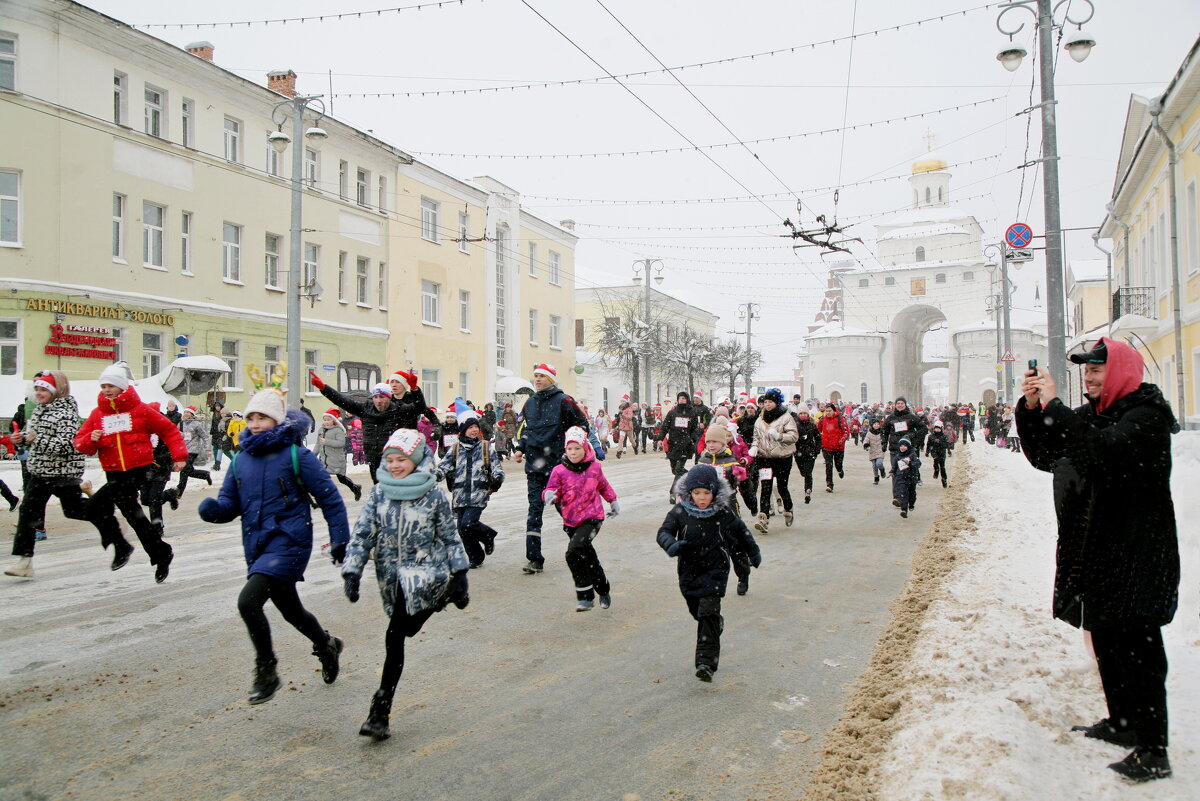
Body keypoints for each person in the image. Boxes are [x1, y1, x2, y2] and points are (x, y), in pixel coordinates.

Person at [1016, 338, 1179, 782]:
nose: (1088, 379)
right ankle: (1123, 722)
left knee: (1139, 649)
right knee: (1107, 635)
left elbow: (1100, 453)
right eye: (1085, 372)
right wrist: (1033, 410)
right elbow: (1049, 454)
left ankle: (1154, 748)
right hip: (1101, 547)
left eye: (1097, 371)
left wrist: (1056, 406)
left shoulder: (1145, 417)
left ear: (1122, 372)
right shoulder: (1097, 415)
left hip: (1140, 551)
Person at [198, 391, 349, 706]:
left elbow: (330, 498)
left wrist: (340, 538)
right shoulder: (241, 459)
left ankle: (267, 669)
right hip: (258, 544)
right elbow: (230, 504)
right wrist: (213, 510)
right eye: (251, 418)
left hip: (290, 541)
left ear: (277, 421)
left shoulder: (297, 456)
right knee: (290, 609)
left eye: (262, 418)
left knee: (248, 602)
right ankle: (326, 644)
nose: (254, 424)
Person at [341, 429, 470, 741]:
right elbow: (362, 534)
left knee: (395, 634)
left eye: (402, 460)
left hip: (426, 569)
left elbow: (450, 536)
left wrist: (461, 572)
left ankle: (379, 711)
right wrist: (352, 571)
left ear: (415, 460)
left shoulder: (434, 495)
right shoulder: (378, 493)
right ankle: (443, 598)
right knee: (406, 629)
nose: (396, 465)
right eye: (391, 460)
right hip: (391, 574)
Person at [74, 363, 187, 582]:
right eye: (103, 386)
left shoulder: (140, 410)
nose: (107, 390)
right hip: (113, 471)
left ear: (122, 387)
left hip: (137, 470)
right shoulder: (98, 414)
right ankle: (161, 552)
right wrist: (91, 439)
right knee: (135, 518)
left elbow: (168, 429)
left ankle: (121, 545)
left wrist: (179, 456)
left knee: (94, 507)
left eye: (111, 386)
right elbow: (81, 444)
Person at [656, 464, 761, 682]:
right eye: (697, 493)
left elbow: (741, 531)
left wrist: (754, 552)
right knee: (698, 611)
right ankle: (714, 624)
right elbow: (664, 532)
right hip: (688, 570)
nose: (702, 498)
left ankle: (706, 662)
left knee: (708, 613)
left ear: (715, 492)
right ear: (689, 493)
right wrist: (671, 545)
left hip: (716, 570)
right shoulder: (680, 512)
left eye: (706, 493)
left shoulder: (722, 512)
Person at [4, 372, 105, 578]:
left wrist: (34, 440)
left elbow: (66, 446)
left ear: (55, 391)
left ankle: (105, 513)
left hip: (62, 472)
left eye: (43, 389)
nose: (39, 393)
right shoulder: (40, 410)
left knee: (73, 510)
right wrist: (21, 439)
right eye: (37, 389)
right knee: (28, 512)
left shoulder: (66, 413)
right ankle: (25, 561)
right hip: (41, 471)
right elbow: (36, 437)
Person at [511, 363, 589, 575]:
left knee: (566, 511)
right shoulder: (530, 404)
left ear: (551, 379)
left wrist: (573, 451)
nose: (537, 379)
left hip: (560, 469)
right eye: (535, 376)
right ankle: (534, 559)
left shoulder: (564, 401)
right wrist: (520, 448)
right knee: (534, 511)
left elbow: (582, 427)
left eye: (542, 376)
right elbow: (527, 430)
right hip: (535, 468)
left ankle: (580, 550)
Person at [543, 426, 618, 612]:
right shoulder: (559, 471)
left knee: (574, 551)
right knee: (587, 555)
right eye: (570, 449)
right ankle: (604, 589)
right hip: (570, 521)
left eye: (577, 448)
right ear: (565, 450)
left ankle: (585, 596)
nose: (573, 452)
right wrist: (549, 496)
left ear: (585, 448)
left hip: (592, 518)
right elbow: (551, 490)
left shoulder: (594, 468)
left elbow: (603, 486)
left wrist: (613, 501)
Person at [437, 402, 504, 569]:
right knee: (462, 529)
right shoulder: (454, 449)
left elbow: (497, 468)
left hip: (478, 492)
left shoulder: (485, 447)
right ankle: (476, 556)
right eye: (470, 427)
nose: (474, 430)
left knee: (468, 524)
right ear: (463, 430)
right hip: (459, 494)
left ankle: (488, 535)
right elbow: (442, 468)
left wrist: (497, 478)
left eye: (476, 427)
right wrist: (429, 478)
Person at [310, 378, 408, 485]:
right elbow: (343, 401)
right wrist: (324, 388)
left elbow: (418, 408)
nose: (379, 400)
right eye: (376, 397)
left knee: (393, 488)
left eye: (382, 397)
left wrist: (415, 389)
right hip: (373, 458)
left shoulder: (398, 410)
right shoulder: (366, 409)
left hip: (392, 458)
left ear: (389, 397)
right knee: (378, 488)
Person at [695, 423, 754, 596]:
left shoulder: (730, 459)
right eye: (709, 442)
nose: (711, 445)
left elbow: (742, 483)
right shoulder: (703, 459)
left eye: (715, 442)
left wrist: (743, 481)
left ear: (723, 443)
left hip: (728, 506)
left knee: (734, 545)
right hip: (708, 509)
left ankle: (743, 575)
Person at [749, 388, 798, 534]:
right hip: (764, 459)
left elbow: (794, 436)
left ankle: (788, 509)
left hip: (782, 458)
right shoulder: (759, 420)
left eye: (770, 402)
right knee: (766, 488)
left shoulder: (786, 417)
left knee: (782, 487)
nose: (767, 404)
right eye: (765, 402)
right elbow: (756, 437)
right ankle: (764, 519)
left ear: (777, 402)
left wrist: (779, 435)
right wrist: (753, 447)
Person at [164, 406, 212, 506]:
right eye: (185, 412)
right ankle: (204, 474)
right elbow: (175, 435)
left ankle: (179, 491)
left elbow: (205, 437)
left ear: (192, 414)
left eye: (188, 412)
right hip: (183, 449)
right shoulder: (180, 423)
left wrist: (208, 449)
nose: (185, 414)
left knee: (185, 470)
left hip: (193, 450)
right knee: (187, 470)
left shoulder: (197, 424)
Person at [660, 392, 700, 502]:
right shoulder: (672, 413)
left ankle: (673, 493)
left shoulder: (692, 413)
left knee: (678, 469)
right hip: (673, 445)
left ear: (687, 399)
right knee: (675, 470)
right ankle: (690, 476)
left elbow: (694, 429)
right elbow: (665, 427)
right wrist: (659, 438)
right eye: (680, 398)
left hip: (685, 445)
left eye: (684, 398)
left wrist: (692, 439)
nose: (682, 400)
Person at [316, 409, 362, 501]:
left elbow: (341, 443)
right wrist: (313, 455)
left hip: (336, 459)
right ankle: (324, 497)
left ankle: (355, 488)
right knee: (321, 477)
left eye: (328, 419)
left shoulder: (338, 430)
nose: (326, 422)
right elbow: (318, 444)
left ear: (334, 420)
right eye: (324, 420)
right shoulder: (321, 430)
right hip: (325, 459)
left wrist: (327, 441)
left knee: (341, 478)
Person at [881, 396, 926, 483]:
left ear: (905, 405)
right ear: (895, 405)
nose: (900, 405)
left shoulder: (911, 417)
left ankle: (908, 490)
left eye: (902, 403)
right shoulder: (890, 418)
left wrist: (914, 436)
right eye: (898, 403)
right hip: (895, 448)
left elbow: (923, 429)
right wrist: (884, 443)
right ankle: (897, 492)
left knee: (907, 471)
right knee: (895, 470)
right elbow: (884, 431)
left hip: (908, 448)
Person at [817, 402, 848, 493]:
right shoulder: (823, 420)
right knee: (828, 465)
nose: (828, 413)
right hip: (826, 447)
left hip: (838, 447)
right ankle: (829, 484)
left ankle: (840, 470)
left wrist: (840, 442)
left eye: (830, 411)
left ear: (834, 410)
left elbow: (846, 432)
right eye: (826, 411)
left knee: (838, 464)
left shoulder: (841, 419)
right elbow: (818, 430)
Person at [791, 407, 820, 504]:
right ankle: (806, 483)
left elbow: (818, 438)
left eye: (805, 413)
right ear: (798, 415)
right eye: (801, 413)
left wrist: (817, 450)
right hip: (798, 453)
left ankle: (808, 490)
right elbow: (791, 438)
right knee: (803, 472)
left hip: (810, 452)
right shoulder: (795, 425)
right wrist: (799, 439)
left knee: (808, 473)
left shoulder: (812, 425)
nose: (803, 415)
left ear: (808, 414)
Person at [891, 438, 919, 517]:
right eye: (901, 446)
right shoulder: (897, 456)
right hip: (901, 478)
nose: (902, 448)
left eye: (904, 446)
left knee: (912, 494)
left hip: (912, 478)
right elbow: (894, 467)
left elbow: (918, 464)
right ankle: (904, 510)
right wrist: (892, 471)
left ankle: (911, 504)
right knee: (903, 494)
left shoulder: (913, 455)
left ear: (908, 447)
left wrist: (910, 463)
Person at [924, 421, 953, 488]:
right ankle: (936, 470)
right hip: (934, 451)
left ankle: (944, 479)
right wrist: (927, 452)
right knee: (936, 461)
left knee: (942, 466)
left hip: (942, 452)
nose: (937, 430)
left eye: (938, 428)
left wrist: (940, 442)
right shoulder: (931, 436)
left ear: (941, 429)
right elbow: (928, 444)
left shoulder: (944, 436)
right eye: (936, 428)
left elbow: (946, 445)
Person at [863, 419, 887, 485]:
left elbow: (885, 439)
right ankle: (876, 477)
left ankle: (882, 470)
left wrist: (885, 445)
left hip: (880, 450)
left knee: (879, 463)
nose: (876, 425)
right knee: (874, 466)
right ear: (872, 425)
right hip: (872, 451)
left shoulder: (882, 432)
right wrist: (866, 445)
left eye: (878, 424)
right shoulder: (869, 433)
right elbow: (866, 440)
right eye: (875, 424)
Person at [209, 402, 229, 470]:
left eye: (218, 406)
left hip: (222, 435)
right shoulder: (215, 414)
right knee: (215, 449)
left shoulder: (225, 415)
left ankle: (235, 461)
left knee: (225, 450)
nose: (217, 407)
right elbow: (213, 424)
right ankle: (216, 464)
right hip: (215, 434)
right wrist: (212, 432)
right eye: (216, 406)